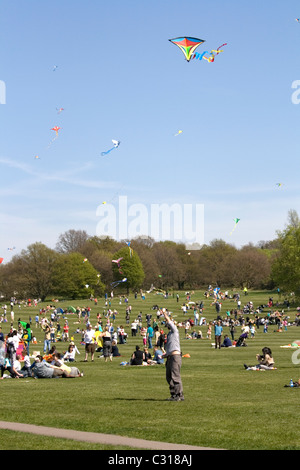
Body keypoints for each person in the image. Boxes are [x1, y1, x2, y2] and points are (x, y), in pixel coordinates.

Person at [161, 308, 184, 401]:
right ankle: (173, 394)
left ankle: (179, 395)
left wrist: (165, 314)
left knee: (175, 376)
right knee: (169, 377)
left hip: (175, 357)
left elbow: (170, 322)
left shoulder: (175, 331)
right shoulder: (169, 335)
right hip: (170, 357)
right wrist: (165, 355)